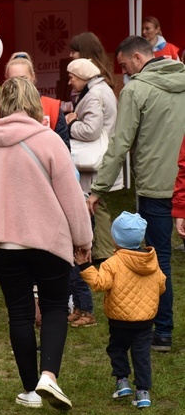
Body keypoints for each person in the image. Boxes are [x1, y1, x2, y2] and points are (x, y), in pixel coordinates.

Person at [0, 76, 93, 411]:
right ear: (35, 102)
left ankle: (30, 390)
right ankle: (48, 375)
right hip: (49, 241)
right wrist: (83, 239)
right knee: (53, 307)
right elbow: (72, 197)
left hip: (3, 244)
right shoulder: (49, 141)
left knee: (19, 314)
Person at [87, 35, 185, 353]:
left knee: (160, 260)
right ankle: (164, 332)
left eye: (125, 65)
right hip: (175, 181)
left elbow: (119, 145)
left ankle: (164, 332)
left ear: (139, 59)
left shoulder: (136, 89)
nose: (124, 71)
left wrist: (98, 188)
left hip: (156, 187)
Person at [76, 212, 166, 409]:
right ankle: (143, 393)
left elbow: (100, 284)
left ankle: (122, 381)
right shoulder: (152, 261)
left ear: (115, 239)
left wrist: (85, 267)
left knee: (117, 348)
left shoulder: (112, 263)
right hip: (145, 321)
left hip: (119, 320)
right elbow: (161, 285)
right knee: (141, 355)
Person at [65, 58, 121, 265]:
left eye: (71, 77)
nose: (70, 82)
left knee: (96, 204)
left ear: (82, 76)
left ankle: (103, 251)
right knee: (98, 204)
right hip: (102, 156)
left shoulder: (94, 94)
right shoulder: (101, 89)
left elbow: (91, 130)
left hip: (95, 158)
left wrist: (70, 124)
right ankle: (102, 249)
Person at [4, 52, 70, 149]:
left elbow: (64, 151)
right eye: (14, 79)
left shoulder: (52, 107)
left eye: (23, 78)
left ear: (33, 77)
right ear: (6, 80)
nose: (19, 84)